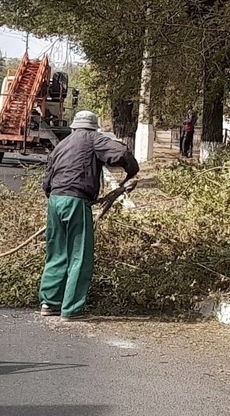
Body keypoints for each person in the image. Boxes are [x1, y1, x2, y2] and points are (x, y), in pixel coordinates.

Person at [40, 110, 139, 322]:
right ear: (93, 127)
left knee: (56, 252)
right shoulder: (94, 139)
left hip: (55, 200)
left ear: (74, 127)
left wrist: (55, 197)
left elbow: (47, 177)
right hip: (76, 201)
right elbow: (122, 153)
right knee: (79, 255)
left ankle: (49, 303)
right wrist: (132, 171)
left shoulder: (62, 144)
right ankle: (71, 309)